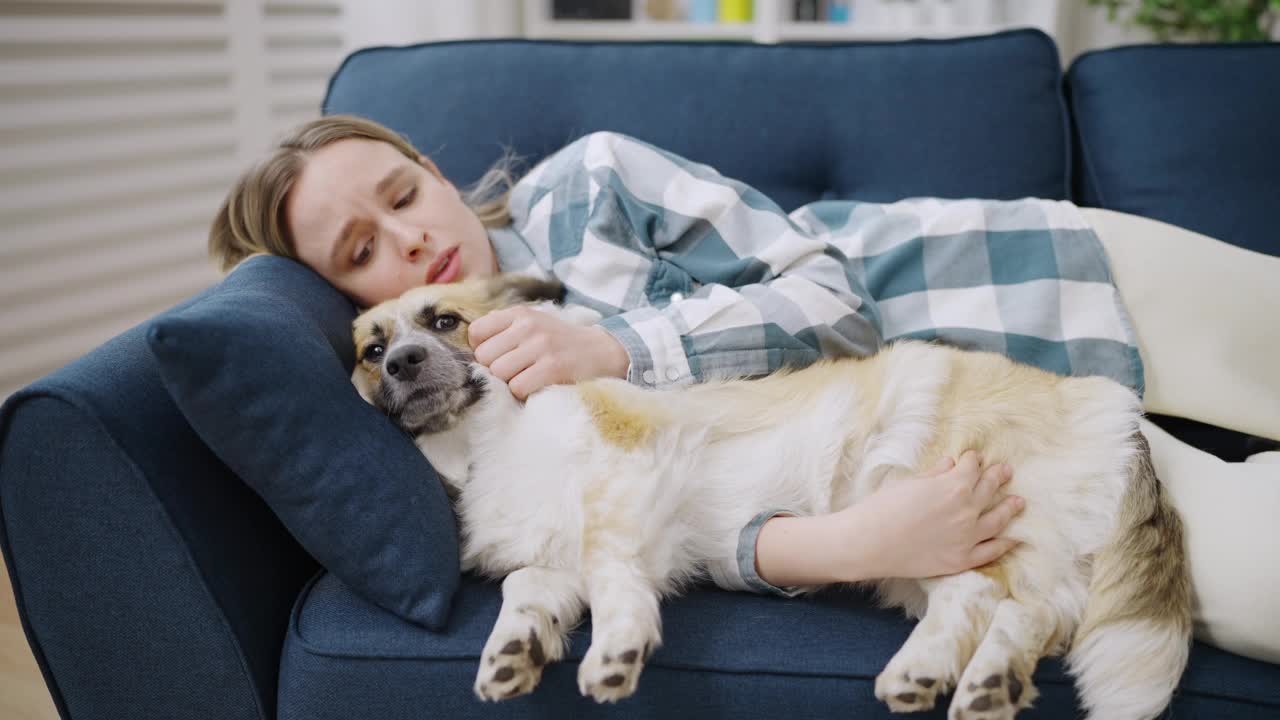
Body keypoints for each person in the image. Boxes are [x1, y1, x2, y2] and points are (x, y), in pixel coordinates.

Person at [209, 116, 1280, 660]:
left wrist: (619, 349)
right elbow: (668, 516)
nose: (411, 240)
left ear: (432, 171)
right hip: (1008, 440)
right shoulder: (462, 410)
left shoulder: (591, 181)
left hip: (1039, 280)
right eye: (361, 251)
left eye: (404, 194)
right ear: (339, 302)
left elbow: (835, 298)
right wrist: (841, 545)